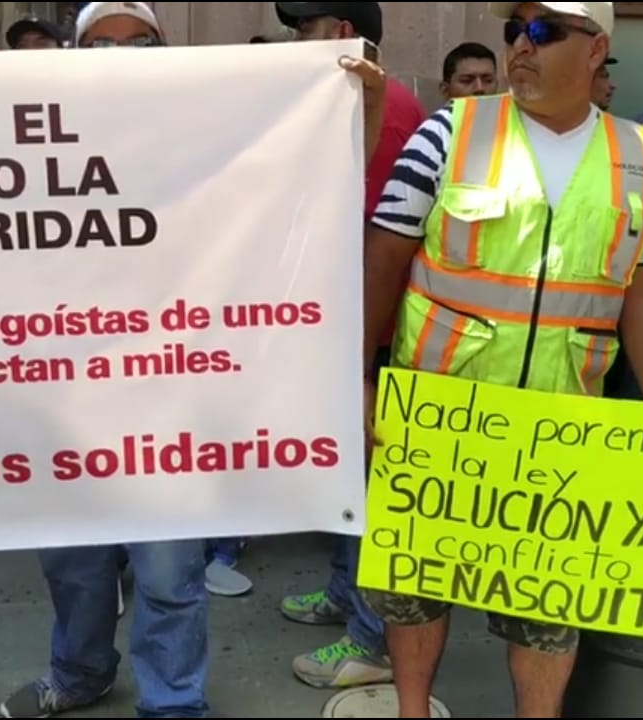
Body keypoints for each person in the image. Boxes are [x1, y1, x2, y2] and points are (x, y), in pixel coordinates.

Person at [0, 3, 391, 717]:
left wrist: (358, 105)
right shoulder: (32, 141)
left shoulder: (209, 135)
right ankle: (80, 672)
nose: (120, 56)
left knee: (168, 570)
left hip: (168, 397)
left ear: (165, 49)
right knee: (75, 565)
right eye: (100, 43)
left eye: (138, 42)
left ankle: (173, 702)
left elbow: (316, 186)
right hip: (64, 396)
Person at [359, 2, 643, 717]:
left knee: (547, 609)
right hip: (438, 418)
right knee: (415, 590)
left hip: (562, 431)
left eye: (543, 30)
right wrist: (359, 380)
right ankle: (411, 710)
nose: (520, 46)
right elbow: (383, 260)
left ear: (596, 49)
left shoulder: (641, 159)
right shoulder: (451, 132)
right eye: (514, 30)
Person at [273, 0, 426, 691]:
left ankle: (371, 639)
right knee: (349, 478)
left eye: (300, 29)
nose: (292, 41)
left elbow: (369, 242)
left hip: (371, 332)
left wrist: (358, 359)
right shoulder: (363, 102)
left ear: (339, 34)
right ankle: (346, 595)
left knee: (369, 487)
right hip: (354, 327)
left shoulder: (379, 112)